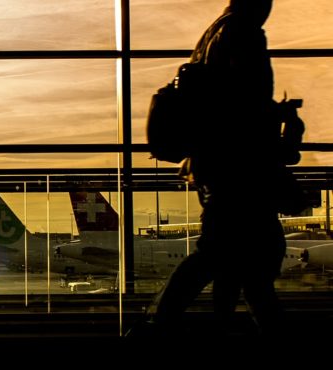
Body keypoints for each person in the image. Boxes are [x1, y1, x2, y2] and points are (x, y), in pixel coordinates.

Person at [132, 0, 301, 337]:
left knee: (225, 256)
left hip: (215, 167)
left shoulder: (213, 34)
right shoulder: (245, 33)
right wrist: (280, 121)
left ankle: (167, 321)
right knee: (243, 259)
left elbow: (227, 105)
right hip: (240, 170)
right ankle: (164, 322)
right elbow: (245, 106)